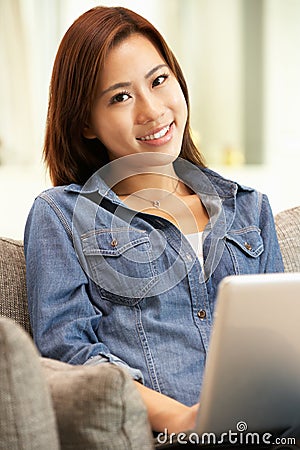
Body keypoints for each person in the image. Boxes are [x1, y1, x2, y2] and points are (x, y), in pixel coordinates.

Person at [24, 6, 284, 434]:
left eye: (159, 80)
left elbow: (283, 345)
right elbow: (69, 357)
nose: (152, 110)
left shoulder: (249, 207)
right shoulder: (60, 216)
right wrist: (184, 419)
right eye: (120, 97)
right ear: (86, 122)